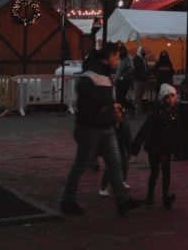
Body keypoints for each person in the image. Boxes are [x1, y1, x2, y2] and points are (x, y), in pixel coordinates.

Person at [60, 43, 145, 216]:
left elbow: (97, 95)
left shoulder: (103, 74)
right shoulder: (91, 74)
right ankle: (68, 200)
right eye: (115, 57)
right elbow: (85, 91)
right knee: (82, 164)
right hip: (90, 127)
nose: (117, 61)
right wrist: (103, 105)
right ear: (109, 56)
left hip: (105, 126)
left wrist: (108, 105)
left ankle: (122, 199)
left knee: (115, 162)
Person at [131, 83, 182, 209]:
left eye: (172, 96)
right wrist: (134, 147)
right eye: (167, 97)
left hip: (166, 147)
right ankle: (150, 196)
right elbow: (145, 129)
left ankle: (165, 197)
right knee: (155, 171)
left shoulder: (175, 112)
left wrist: (176, 148)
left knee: (166, 172)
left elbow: (176, 132)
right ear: (162, 98)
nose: (170, 99)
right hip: (155, 146)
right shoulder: (156, 113)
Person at [99, 102, 133, 195]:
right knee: (109, 168)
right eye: (114, 113)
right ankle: (103, 187)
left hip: (120, 148)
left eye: (118, 112)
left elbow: (128, 138)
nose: (116, 115)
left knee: (125, 165)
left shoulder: (124, 124)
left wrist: (129, 151)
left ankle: (122, 181)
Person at [114, 45, 133, 110]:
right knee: (118, 98)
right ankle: (121, 110)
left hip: (125, 81)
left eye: (121, 51)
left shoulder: (128, 58)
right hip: (118, 81)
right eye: (119, 51)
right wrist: (116, 79)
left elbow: (130, 69)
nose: (120, 52)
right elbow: (118, 70)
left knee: (121, 97)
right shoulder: (120, 58)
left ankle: (129, 107)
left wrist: (122, 76)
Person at [132, 45, 149, 114]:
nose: (144, 52)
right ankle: (135, 109)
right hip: (138, 79)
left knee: (141, 95)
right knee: (137, 95)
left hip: (144, 79)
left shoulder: (144, 59)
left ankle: (139, 109)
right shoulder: (136, 59)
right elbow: (135, 70)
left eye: (144, 50)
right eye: (142, 50)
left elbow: (146, 68)